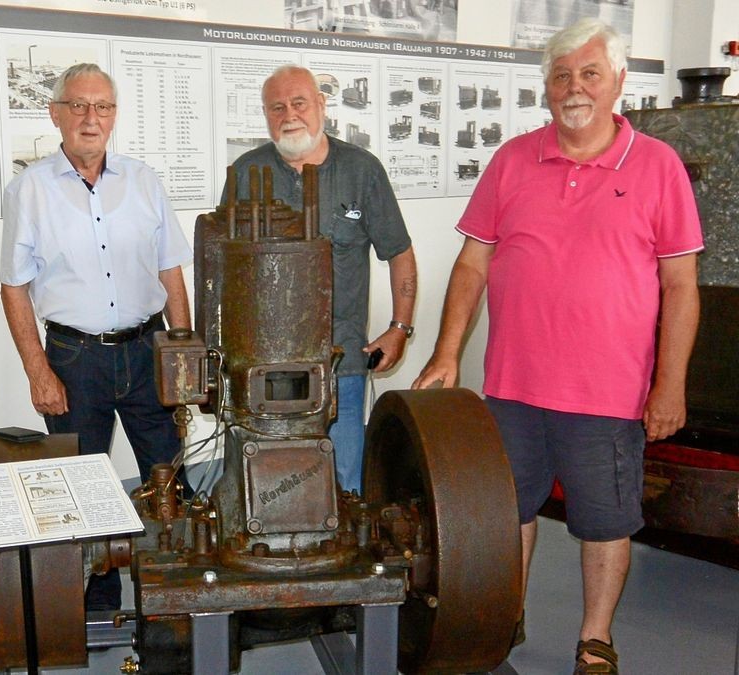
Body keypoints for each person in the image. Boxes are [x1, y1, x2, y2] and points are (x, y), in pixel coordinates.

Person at [413, 18, 701, 674]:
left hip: (608, 393)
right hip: (513, 386)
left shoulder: (657, 168)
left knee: (604, 521)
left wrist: (670, 382)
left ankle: (594, 636)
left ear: (619, 82)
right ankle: (505, 613)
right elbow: (472, 264)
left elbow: (681, 285)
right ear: (546, 87)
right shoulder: (513, 159)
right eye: (562, 75)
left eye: (589, 73)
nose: (575, 88)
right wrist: (448, 351)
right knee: (506, 511)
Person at [0, 63, 192, 611]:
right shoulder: (29, 189)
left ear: (113, 116)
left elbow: (171, 270)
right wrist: (38, 370)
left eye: (102, 107)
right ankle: (99, 602)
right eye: (78, 106)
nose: (91, 118)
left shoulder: (143, 180)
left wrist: (181, 351)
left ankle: (176, 594)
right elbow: (13, 288)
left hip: (147, 349)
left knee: (170, 474)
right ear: (55, 114)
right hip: (73, 357)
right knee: (80, 486)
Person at [227, 64, 417, 494]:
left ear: (321, 106)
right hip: (263, 366)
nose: (289, 114)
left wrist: (399, 328)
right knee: (269, 484)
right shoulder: (244, 174)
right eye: (277, 107)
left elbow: (399, 252)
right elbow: (222, 265)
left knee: (343, 480)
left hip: (341, 362)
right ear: (265, 114)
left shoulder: (362, 171)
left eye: (299, 103)